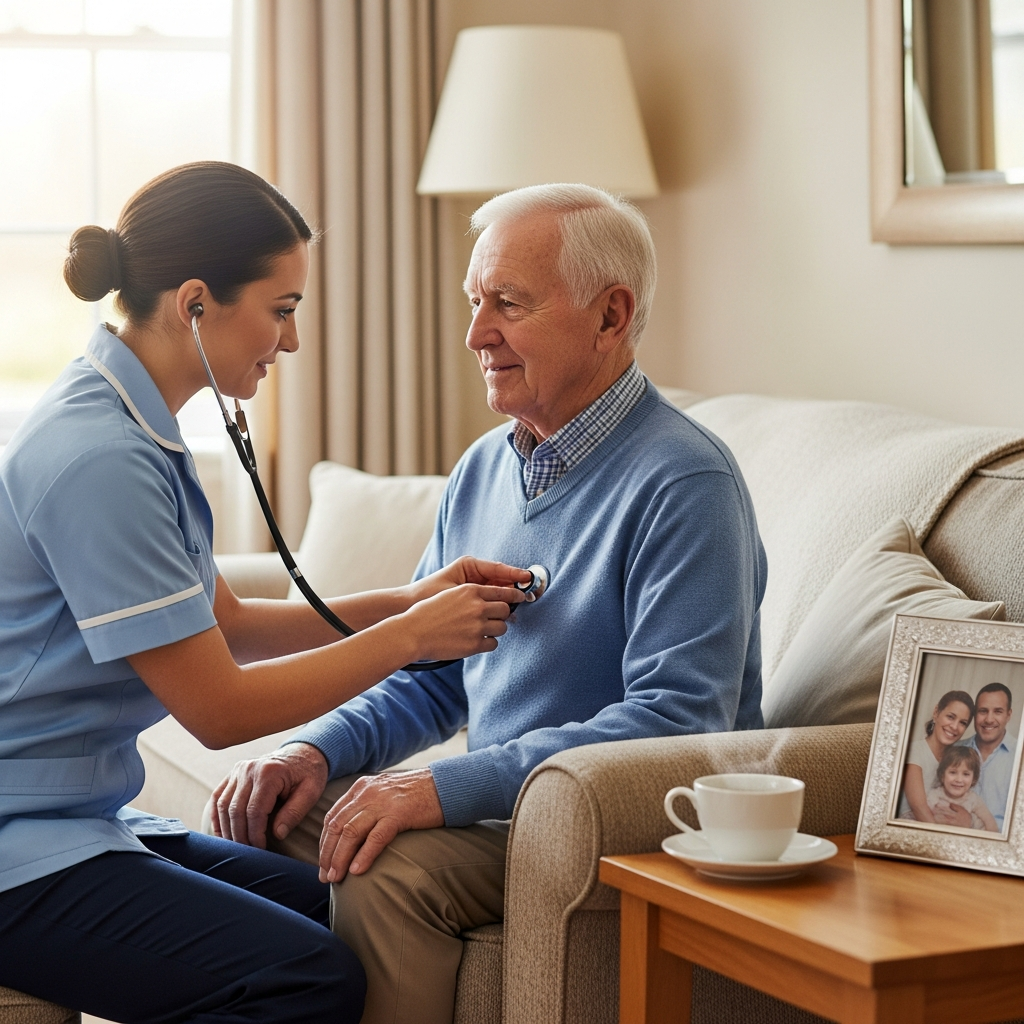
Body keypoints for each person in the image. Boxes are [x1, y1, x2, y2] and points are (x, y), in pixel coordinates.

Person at [213, 183, 767, 1024]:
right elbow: (434, 679)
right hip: (500, 801)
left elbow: (679, 720)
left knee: (383, 868)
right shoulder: (483, 468)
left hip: (602, 819)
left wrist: (440, 788)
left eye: (507, 304)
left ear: (610, 316)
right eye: (475, 303)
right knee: (255, 815)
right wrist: (314, 754)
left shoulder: (686, 483)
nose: (476, 336)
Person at [0, 161, 529, 1023]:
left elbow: (230, 623)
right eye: (282, 311)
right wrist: (409, 640)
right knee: (307, 976)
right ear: (197, 303)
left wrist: (410, 600)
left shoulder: (129, 422)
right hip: (18, 846)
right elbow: (219, 710)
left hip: (73, 815)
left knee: (341, 916)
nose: (290, 342)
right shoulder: (101, 458)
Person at [898, 689, 975, 822]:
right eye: (950, 717)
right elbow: (919, 808)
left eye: (963, 723)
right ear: (936, 713)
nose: (955, 727)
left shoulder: (956, 760)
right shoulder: (913, 751)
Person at [956, 682, 1017, 830]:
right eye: (983, 711)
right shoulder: (955, 750)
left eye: (998, 711)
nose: (989, 719)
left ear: (1009, 715)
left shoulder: (1019, 757)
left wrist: (972, 824)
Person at [927, 745, 998, 832]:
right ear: (942, 775)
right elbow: (920, 816)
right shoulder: (935, 795)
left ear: (974, 778)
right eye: (953, 772)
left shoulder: (974, 799)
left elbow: (991, 825)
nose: (959, 780)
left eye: (966, 774)